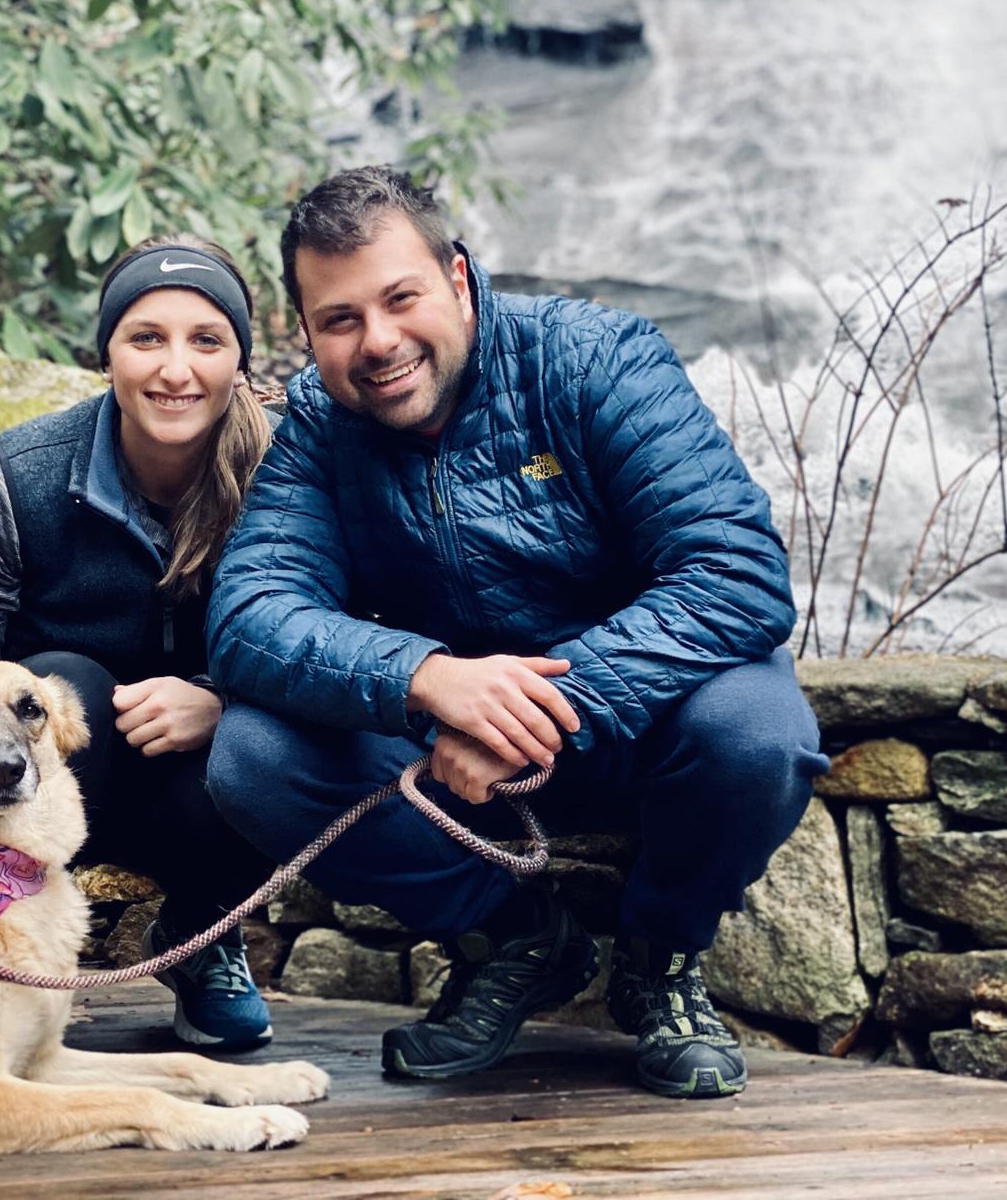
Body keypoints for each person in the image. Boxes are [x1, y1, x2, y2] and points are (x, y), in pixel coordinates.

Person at [202, 168, 828, 1098]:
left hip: (637, 722)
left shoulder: (595, 359)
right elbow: (249, 616)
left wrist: (544, 705)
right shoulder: (321, 431)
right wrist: (428, 677)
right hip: (444, 752)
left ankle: (659, 962)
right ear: (309, 330)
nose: (378, 342)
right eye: (340, 320)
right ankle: (517, 938)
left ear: (457, 280)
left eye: (401, 298)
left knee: (761, 735)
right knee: (251, 757)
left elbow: (735, 571)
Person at [0, 234, 278, 1051]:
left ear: (239, 362)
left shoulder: (287, 475)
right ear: (106, 352)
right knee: (63, 681)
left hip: (209, 791)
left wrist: (223, 700)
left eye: (205, 340)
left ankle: (203, 934)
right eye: (146, 338)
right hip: (42, 788)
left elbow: (343, 637)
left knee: (274, 744)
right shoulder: (19, 478)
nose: (175, 369)